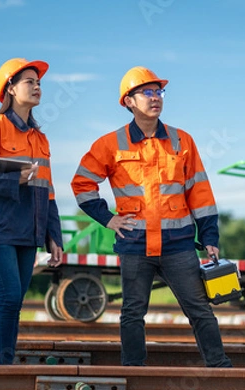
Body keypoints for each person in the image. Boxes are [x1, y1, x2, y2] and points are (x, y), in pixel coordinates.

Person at [71, 66, 232, 367]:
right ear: (128, 101)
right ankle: (134, 372)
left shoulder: (182, 140)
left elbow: (199, 191)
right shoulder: (110, 144)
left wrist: (209, 236)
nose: (155, 97)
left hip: (179, 244)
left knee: (199, 308)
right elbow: (82, 183)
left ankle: (220, 368)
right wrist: (107, 219)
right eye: (147, 92)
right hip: (134, 244)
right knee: (133, 311)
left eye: (158, 91)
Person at [0, 58, 63, 365]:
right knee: (8, 298)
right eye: (29, 82)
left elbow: (48, 192)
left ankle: (5, 363)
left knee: (15, 301)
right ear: (10, 88)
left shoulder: (39, 138)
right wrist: (12, 178)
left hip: (27, 231)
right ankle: (3, 367)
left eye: (38, 83)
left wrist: (53, 236)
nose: (37, 87)